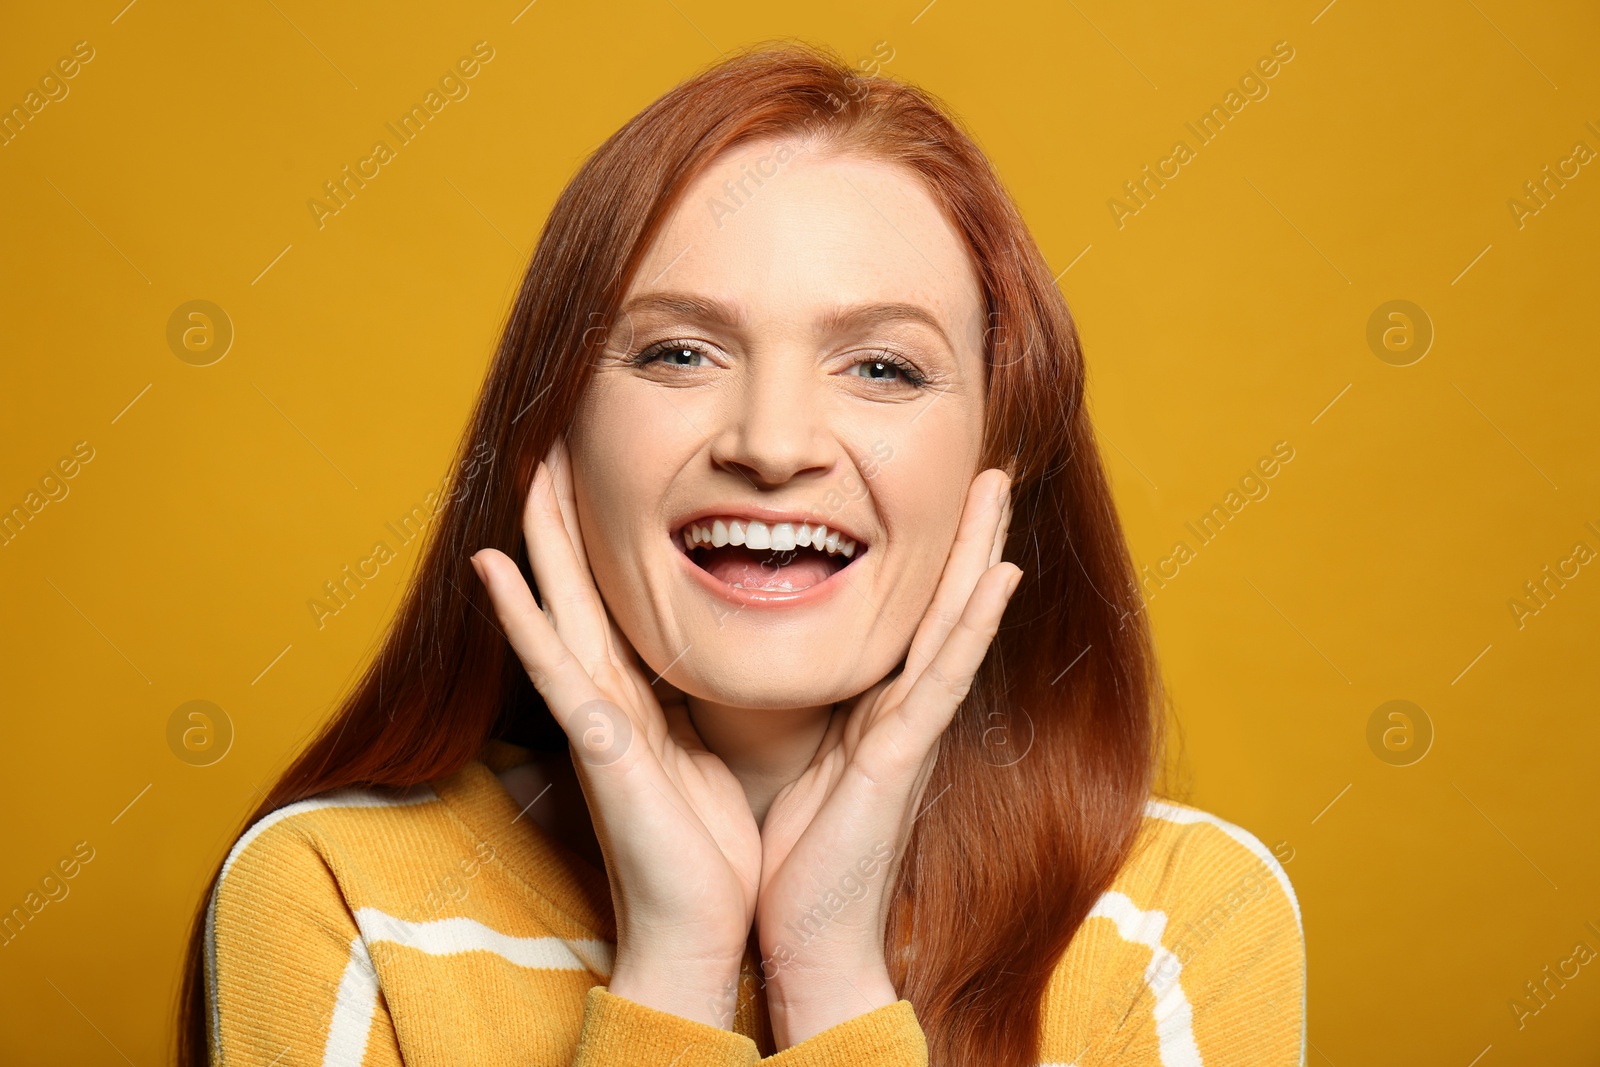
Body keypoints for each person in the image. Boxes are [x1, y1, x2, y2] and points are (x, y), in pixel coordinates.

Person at [178, 41, 1305, 1067]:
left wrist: (828, 978)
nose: (771, 445)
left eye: (882, 369)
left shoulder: (1177, 920)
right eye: (677, 352)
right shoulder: (336, 894)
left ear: (995, 460)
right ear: (553, 427)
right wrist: (674, 966)